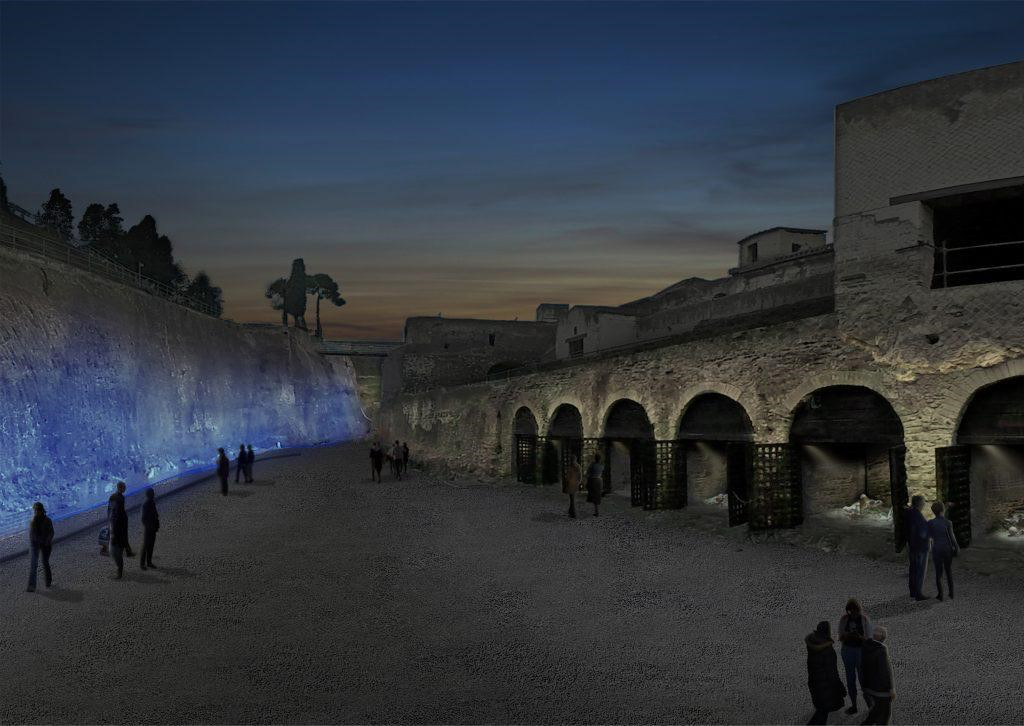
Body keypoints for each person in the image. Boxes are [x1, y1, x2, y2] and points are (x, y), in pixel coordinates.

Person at [805, 620, 846, 725]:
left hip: (814, 684)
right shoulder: (827, 650)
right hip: (825, 688)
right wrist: (840, 688)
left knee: (821, 712)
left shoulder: (812, 645)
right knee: (822, 714)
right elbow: (832, 674)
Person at [838, 598, 873, 715]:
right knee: (850, 679)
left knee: (864, 679)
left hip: (860, 651)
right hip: (848, 651)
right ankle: (854, 705)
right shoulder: (844, 619)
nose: (852, 613)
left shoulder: (864, 619)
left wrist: (859, 637)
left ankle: (870, 706)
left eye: (855, 611)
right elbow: (841, 637)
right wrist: (848, 635)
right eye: (850, 611)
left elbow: (869, 639)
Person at [860, 626, 895, 725]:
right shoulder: (881, 650)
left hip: (868, 686)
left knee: (876, 709)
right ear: (883, 637)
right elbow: (884, 671)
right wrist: (890, 689)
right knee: (884, 715)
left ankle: (866, 724)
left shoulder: (865, 645)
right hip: (881, 690)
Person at [928, 501, 960, 601]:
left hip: (937, 549)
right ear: (943, 510)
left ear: (933, 512)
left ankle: (940, 595)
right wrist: (957, 548)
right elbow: (952, 537)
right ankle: (951, 593)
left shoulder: (930, 523)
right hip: (947, 549)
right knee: (948, 571)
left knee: (938, 573)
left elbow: (929, 538)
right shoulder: (948, 522)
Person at [905, 495, 930, 601]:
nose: (924, 504)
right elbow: (922, 532)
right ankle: (918, 593)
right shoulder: (917, 515)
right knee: (919, 570)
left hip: (913, 546)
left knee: (913, 569)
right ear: (919, 503)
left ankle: (913, 591)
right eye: (923, 502)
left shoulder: (910, 513)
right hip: (920, 547)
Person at [26, 502, 54, 592]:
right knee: (34, 564)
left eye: (38, 510)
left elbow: (51, 532)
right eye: (35, 510)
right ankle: (31, 585)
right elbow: (32, 536)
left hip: (46, 544)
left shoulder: (47, 520)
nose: (36, 512)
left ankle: (48, 581)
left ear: (42, 510)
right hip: (35, 544)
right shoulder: (33, 522)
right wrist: (41, 541)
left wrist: (47, 541)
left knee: (45, 562)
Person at [108, 481, 134, 558]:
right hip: (120, 520)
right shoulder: (120, 497)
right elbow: (119, 511)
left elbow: (110, 509)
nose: (125, 489)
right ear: (120, 488)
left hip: (116, 520)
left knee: (118, 536)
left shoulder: (113, 496)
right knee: (123, 536)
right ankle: (127, 552)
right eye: (124, 487)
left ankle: (125, 551)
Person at [109, 494, 129, 579]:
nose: (110, 504)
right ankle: (119, 570)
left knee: (117, 555)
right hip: (116, 537)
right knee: (115, 554)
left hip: (118, 538)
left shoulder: (119, 514)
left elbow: (122, 528)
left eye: (112, 503)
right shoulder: (115, 512)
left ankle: (119, 572)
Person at [140, 488, 160, 570]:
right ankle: (143, 564)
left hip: (152, 528)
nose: (154, 494)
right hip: (149, 529)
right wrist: (149, 527)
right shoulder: (147, 504)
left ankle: (148, 562)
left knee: (150, 546)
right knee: (146, 546)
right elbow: (143, 518)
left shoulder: (150, 502)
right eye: (153, 493)